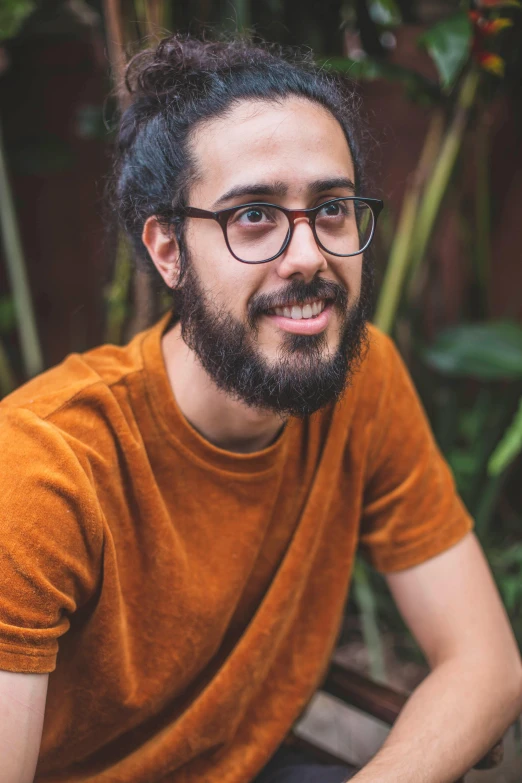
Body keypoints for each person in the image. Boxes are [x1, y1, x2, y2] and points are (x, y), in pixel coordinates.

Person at [0, 34, 520, 783]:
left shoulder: (365, 384)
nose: (308, 253)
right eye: (254, 216)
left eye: (332, 208)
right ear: (168, 249)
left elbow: (487, 661)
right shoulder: (43, 468)